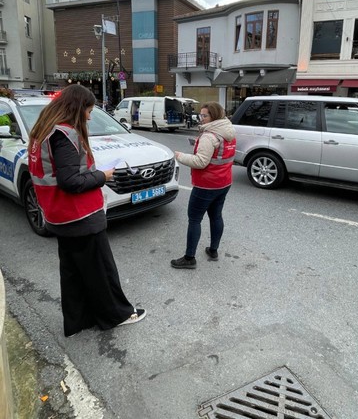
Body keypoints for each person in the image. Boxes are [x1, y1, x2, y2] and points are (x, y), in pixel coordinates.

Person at [26, 84, 145, 337]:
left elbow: (60, 174)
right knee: (101, 270)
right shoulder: (65, 135)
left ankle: (78, 320)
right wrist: (103, 175)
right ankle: (117, 315)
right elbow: (71, 182)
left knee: (73, 272)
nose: (90, 117)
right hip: (79, 215)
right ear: (77, 108)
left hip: (58, 214)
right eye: (88, 111)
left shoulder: (42, 131)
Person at [171, 102, 236, 269]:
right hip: (224, 182)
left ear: (213, 117)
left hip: (206, 185)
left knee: (194, 219)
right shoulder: (228, 132)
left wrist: (180, 156)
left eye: (204, 115)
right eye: (201, 115)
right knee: (216, 216)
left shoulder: (209, 136)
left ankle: (189, 258)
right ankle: (213, 250)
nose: (201, 118)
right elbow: (220, 155)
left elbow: (200, 162)